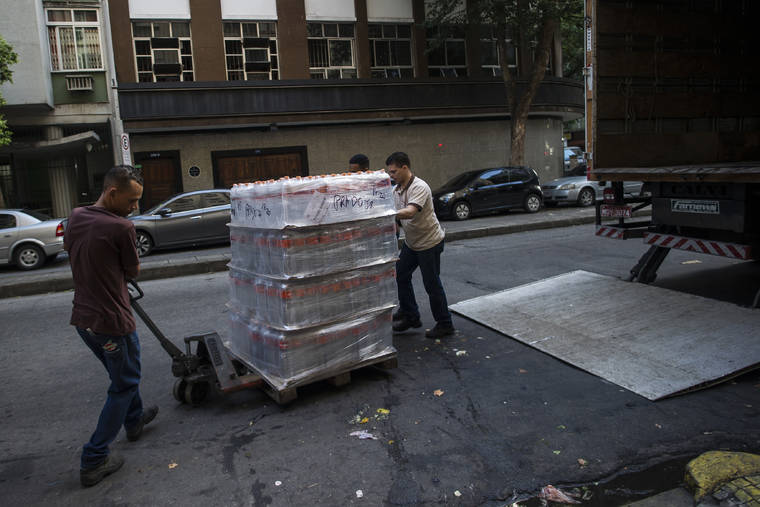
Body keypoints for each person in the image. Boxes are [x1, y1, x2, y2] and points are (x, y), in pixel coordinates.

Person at [64, 165, 158, 487]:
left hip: (83, 319)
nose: (134, 208)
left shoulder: (75, 216)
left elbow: (75, 253)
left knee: (121, 375)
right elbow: (133, 271)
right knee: (124, 384)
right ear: (112, 192)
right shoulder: (122, 228)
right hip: (112, 322)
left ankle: (134, 420)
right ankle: (94, 459)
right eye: (131, 201)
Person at [386, 152, 455, 339]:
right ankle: (411, 315)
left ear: (405, 168)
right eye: (389, 172)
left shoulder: (420, 187)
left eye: (393, 172)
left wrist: (387, 215)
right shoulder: (396, 190)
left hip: (430, 242)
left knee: (431, 284)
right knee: (400, 274)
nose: (391, 176)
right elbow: (397, 222)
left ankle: (445, 324)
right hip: (412, 243)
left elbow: (409, 212)